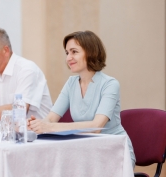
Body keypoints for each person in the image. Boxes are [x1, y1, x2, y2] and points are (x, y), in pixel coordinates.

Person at [28, 30, 136, 167]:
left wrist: (50, 127)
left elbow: (96, 127)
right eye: (67, 53)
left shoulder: (110, 84)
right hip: (87, 152)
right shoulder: (71, 83)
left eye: (74, 52)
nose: (68, 58)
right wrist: (36, 125)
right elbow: (50, 118)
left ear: (90, 52)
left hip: (115, 152)